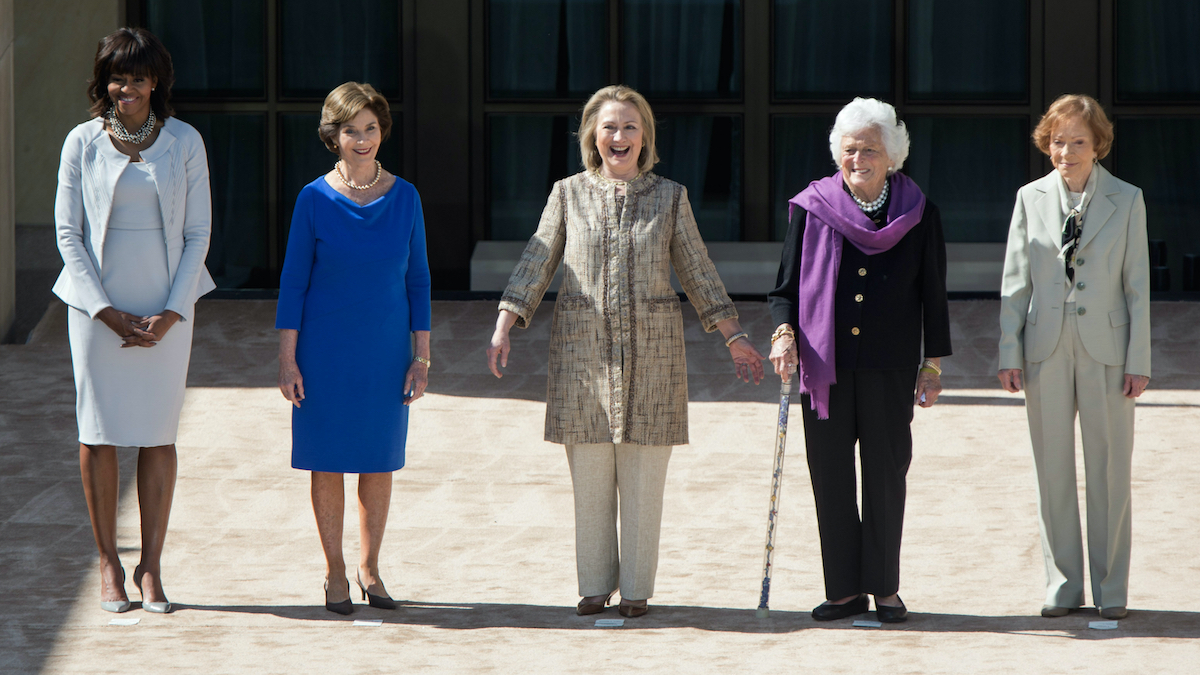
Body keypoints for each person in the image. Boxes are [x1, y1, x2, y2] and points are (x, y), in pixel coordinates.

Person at [486, 84, 764, 618]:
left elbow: (699, 273)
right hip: (581, 360)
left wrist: (735, 338)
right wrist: (505, 323)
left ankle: (635, 591)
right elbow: (536, 262)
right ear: (593, 134)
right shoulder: (567, 194)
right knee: (589, 479)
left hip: (653, 362)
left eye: (630, 127)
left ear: (645, 137)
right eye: (609, 126)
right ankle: (594, 586)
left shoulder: (671, 197)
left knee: (642, 481)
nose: (619, 135)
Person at [767, 97, 950, 624]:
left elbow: (933, 297)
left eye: (870, 148)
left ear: (892, 155)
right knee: (830, 476)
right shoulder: (811, 206)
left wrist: (932, 365)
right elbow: (784, 290)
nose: (858, 158)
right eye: (849, 149)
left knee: (886, 475)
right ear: (837, 154)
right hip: (824, 366)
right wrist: (783, 333)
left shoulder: (919, 212)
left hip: (890, 367)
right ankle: (844, 589)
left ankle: (884, 587)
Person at [53, 27, 215, 615]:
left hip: (168, 309)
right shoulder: (81, 142)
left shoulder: (185, 141)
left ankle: (151, 567)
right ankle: (108, 565)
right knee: (98, 431)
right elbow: (67, 232)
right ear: (104, 81)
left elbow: (198, 232)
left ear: (157, 82)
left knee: (158, 432)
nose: (129, 87)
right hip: (98, 311)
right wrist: (105, 311)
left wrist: (174, 311)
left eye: (139, 76)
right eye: (118, 76)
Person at [276, 82, 431, 615]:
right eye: (350, 130)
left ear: (382, 131)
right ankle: (335, 573)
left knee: (378, 462)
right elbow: (294, 281)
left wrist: (422, 355)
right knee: (327, 461)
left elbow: (419, 282)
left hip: (385, 353)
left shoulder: (406, 196)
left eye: (370, 128)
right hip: (323, 352)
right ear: (333, 136)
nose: (361, 139)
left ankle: (371, 568)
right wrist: (287, 356)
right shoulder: (313, 198)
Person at [998, 94, 1150, 621]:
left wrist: (1139, 360)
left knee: (1110, 470)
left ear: (1098, 144)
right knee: (1052, 470)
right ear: (1047, 143)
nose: (1067, 151)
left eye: (1078, 142)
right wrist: (1008, 350)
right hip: (1044, 349)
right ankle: (1062, 585)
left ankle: (1112, 588)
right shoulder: (1028, 198)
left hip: (1109, 352)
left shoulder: (1128, 199)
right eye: (1058, 141)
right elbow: (1014, 283)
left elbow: (1138, 288)